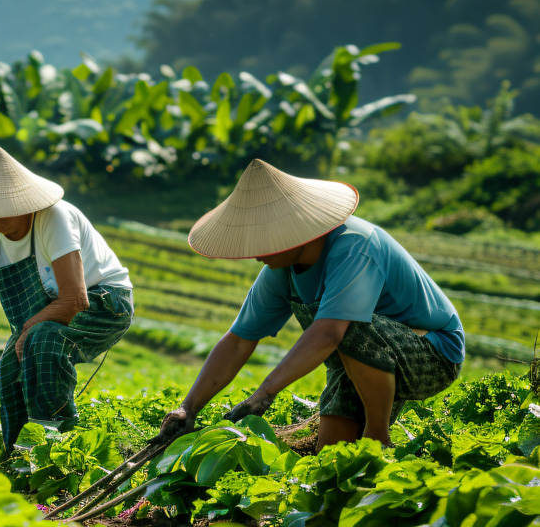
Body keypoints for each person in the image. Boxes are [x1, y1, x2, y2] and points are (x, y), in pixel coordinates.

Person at [157, 159, 464, 451]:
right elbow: (239, 340)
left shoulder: (354, 245)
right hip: (356, 362)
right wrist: (189, 407)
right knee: (331, 455)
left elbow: (330, 333)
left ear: (290, 232)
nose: (254, 252)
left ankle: (378, 438)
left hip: (432, 354)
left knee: (350, 325)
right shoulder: (280, 272)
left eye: (260, 239)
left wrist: (265, 393)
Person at [0, 144, 134, 451]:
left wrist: (26, 331)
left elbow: (76, 299)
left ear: (21, 201)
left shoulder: (54, 218)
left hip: (106, 303)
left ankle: (60, 446)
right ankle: (20, 454)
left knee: (44, 340)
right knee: (6, 373)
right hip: (46, 317)